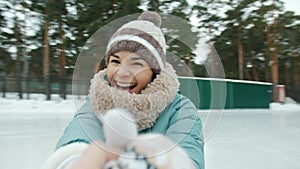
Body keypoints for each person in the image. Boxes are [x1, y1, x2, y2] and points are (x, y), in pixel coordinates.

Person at [42, 11, 204, 169]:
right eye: (115, 61)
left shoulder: (181, 110)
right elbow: (76, 139)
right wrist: (75, 162)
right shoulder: (96, 104)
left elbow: (188, 153)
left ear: (155, 72)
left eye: (136, 63)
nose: (122, 73)